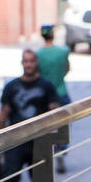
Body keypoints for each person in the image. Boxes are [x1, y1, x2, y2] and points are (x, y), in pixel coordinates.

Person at [0, 49, 61, 182]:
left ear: (36, 63)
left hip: (39, 142)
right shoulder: (11, 87)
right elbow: (3, 114)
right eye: (25, 61)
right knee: (9, 178)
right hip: (16, 142)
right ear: (22, 63)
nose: (29, 64)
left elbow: (54, 110)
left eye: (31, 61)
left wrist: (55, 136)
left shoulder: (46, 86)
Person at [36, 25, 72, 172]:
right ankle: (61, 151)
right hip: (61, 92)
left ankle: (47, 152)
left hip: (45, 95)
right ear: (53, 35)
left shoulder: (38, 54)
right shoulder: (63, 51)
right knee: (63, 124)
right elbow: (67, 68)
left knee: (46, 126)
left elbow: (37, 73)